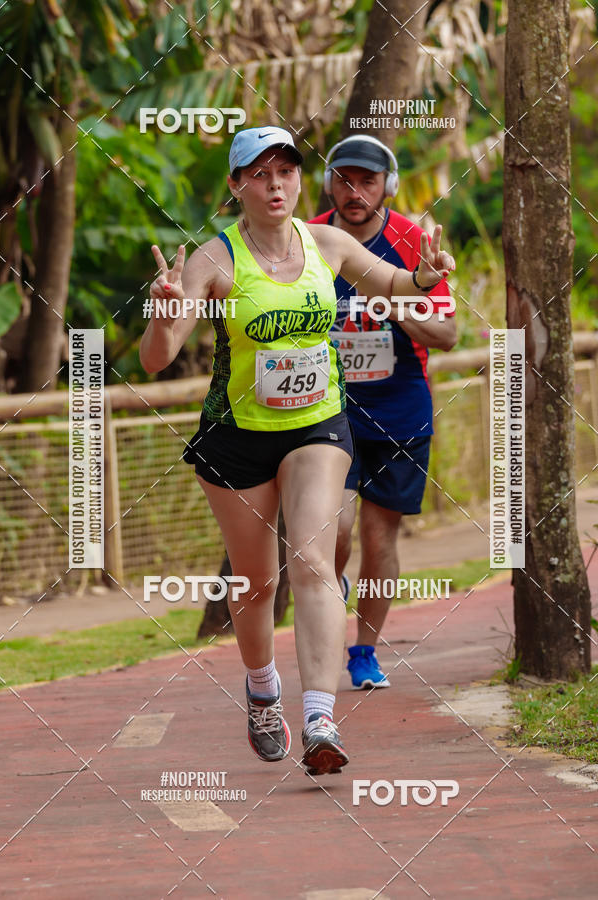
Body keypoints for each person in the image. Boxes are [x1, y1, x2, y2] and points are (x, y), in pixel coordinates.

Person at [139, 127, 455, 774]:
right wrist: (162, 310)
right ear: (237, 187)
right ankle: (262, 688)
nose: (276, 184)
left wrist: (423, 275)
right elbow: (156, 359)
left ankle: (319, 717)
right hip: (238, 436)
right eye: (259, 174)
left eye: (286, 171)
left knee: (312, 561)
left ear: (298, 181)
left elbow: (401, 287)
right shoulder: (213, 261)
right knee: (256, 585)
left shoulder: (329, 243)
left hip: (318, 424)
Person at [310, 135, 457, 689]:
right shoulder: (309, 240)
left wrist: (391, 302)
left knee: (379, 540)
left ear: (387, 186)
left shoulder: (413, 241)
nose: (355, 191)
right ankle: (330, 590)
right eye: (344, 179)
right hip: (327, 407)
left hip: (399, 409)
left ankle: (364, 653)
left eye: (367, 180)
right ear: (330, 184)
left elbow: (446, 333)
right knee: (335, 530)